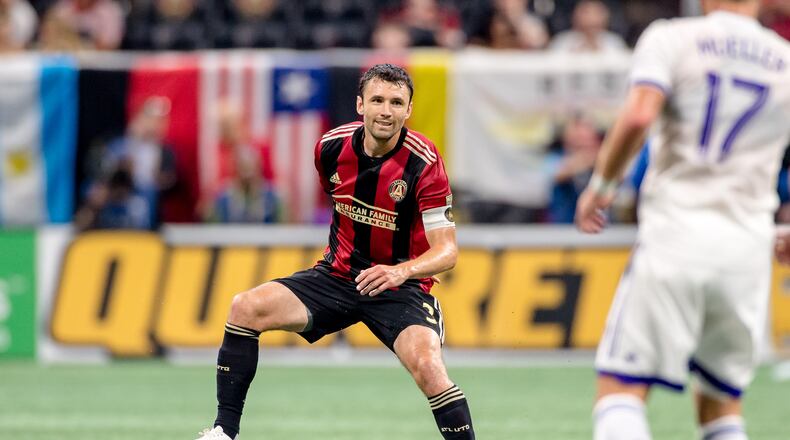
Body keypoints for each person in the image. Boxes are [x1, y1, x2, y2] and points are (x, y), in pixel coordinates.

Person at [196, 64, 475, 440]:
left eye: (396, 103)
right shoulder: (330, 148)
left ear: (408, 111)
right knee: (245, 307)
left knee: (429, 368)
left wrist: (400, 271)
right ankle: (223, 433)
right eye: (377, 100)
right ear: (361, 104)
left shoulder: (424, 162)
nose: (386, 111)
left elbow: (448, 252)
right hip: (338, 276)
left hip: (400, 287)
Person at [574, 0, 790, 439]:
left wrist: (602, 186)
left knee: (620, 390)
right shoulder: (784, 60)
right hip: (748, 248)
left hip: (678, 233)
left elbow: (638, 114)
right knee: (722, 405)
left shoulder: (673, 38)